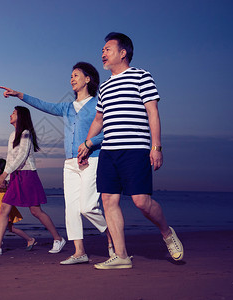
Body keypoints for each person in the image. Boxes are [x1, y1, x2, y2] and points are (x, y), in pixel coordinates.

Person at [78, 32, 184, 269]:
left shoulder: (141, 76)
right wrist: (87, 143)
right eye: (102, 50)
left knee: (141, 201)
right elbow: (98, 119)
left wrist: (156, 147)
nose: (102, 53)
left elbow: (152, 112)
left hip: (135, 149)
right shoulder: (104, 87)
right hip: (109, 152)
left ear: (123, 52)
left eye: (107, 49)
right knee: (108, 200)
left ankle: (167, 233)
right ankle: (122, 255)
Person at [0, 62, 113, 265]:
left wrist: (90, 143)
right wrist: (20, 95)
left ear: (88, 79)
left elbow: (108, 132)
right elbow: (45, 105)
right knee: (71, 209)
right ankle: (79, 252)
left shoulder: (97, 103)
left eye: (76, 75)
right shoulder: (67, 107)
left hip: (92, 160)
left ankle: (112, 235)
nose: (71, 78)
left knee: (87, 207)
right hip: (69, 163)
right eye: (71, 75)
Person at [0, 106, 66, 255]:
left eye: (13, 113)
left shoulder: (26, 133)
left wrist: (4, 173)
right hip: (15, 176)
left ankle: (58, 239)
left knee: (36, 211)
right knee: (4, 208)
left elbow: (22, 156)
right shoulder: (12, 135)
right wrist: (5, 176)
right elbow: (11, 158)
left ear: (21, 116)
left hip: (27, 175)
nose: (10, 114)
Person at [0, 158, 37, 253]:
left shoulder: (4, 178)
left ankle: (30, 239)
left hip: (4, 205)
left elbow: (6, 186)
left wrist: (3, 186)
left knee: (11, 228)